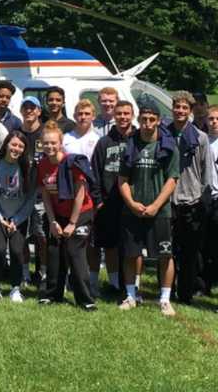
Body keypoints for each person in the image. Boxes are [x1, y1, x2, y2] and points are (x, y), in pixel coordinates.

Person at [117, 96, 179, 316]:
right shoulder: (130, 144)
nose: (147, 124)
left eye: (152, 119)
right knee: (131, 255)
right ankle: (131, 296)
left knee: (165, 255)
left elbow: (172, 180)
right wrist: (132, 203)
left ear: (158, 120)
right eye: (144, 119)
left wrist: (155, 205)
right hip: (133, 211)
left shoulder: (168, 145)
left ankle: (164, 299)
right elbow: (122, 179)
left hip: (160, 211)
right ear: (138, 119)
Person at [37, 120, 96, 311]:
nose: (50, 146)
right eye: (46, 143)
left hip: (80, 212)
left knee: (73, 252)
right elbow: (45, 193)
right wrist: (53, 220)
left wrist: (72, 223)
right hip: (57, 214)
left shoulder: (71, 162)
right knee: (54, 252)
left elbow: (81, 192)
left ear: (60, 142)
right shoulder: (43, 164)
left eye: (53, 143)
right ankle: (53, 294)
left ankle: (85, 299)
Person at [168, 91, 212, 305]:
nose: (180, 111)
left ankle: (185, 293)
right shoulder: (163, 134)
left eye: (185, 108)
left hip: (192, 198)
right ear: (172, 108)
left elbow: (206, 172)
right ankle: (166, 290)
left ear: (191, 110)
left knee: (189, 251)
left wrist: (203, 197)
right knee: (166, 250)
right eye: (177, 106)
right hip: (167, 199)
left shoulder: (200, 137)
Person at [0, 131, 36, 303]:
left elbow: (30, 198)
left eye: (21, 146)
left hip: (18, 218)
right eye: (14, 144)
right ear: (6, 144)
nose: (16, 149)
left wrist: (17, 219)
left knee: (16, 251)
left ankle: (15, 288)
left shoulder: (28, 167)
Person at [90, 100, 135, 297]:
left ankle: (134, 285)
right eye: (119, 114)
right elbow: (95, 173)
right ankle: (115, 283)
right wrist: (98, 199)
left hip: (133, 202)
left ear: (132, 115)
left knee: (132, 246)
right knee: (109, 245)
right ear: (114, 116)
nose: (123, 117)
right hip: (108, 202)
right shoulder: (104, 142)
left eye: (126, 113)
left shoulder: (139, 140)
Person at [62, 99, 102, 296]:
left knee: (90, 241)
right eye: (80, 113)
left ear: (93, 116)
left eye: (87, 113)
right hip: (68, 196)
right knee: (72, 241)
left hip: (90, 196)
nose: (83, 117)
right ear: (75, 115)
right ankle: (71, 277)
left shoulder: (98, 139)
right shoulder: (66, 138)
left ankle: (92, 281)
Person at [20, 96, 47, 286]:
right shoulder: (16, 133)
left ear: (39, 111)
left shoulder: (46, 133)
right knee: (21, 234)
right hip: (20, 192)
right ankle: (23, 272)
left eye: (32, 107)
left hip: (41, 192)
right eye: (25, 108)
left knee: (41, 235)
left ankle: (43, 271)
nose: (29, 111)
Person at [203, 105, 218, 296]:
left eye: (217, 119)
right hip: (206, 197)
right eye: (211, 119)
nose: (213, 122)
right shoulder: (203, 141)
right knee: (206, 245)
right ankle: (204, 284)